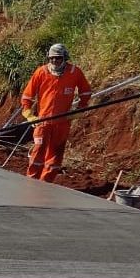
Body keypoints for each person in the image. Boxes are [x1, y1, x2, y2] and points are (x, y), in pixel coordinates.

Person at [21, 43, 92, 183]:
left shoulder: (74, 73)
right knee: (38, 153)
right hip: (42, 122)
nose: (55, 61)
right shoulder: (41, 72)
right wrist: (29, 114)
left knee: (55, 156)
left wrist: (80, 109)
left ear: (64, 58)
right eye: (52, 58)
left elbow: (86, 91)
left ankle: (46, 184)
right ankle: (31, 183)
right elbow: (27, 96)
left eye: (58, 58)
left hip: (62, 122)